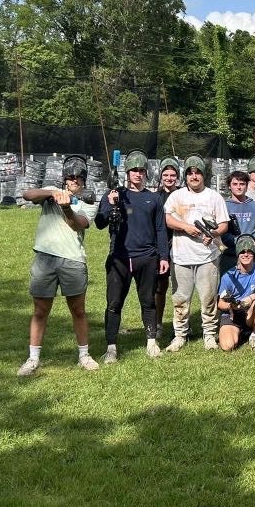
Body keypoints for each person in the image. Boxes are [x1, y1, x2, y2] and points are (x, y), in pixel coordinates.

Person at [17, 155, 101, 376]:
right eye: (71, 177)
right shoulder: (53, 190)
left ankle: (84, 355)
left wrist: (66, 208)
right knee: (40, 310)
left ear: (84, 179)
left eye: (78, 178)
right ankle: (33, 359)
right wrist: (52, 193)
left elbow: (78, 224)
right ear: (65, 178)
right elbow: (27, 194)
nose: (74, 181)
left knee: (78, 310)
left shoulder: (88, 200)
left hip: (73, 260)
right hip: (44, 258)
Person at [94, 149, 170, 362]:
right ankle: (111, 347)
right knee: (114, 303)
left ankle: (151, 341)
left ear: (146, 173)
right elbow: (100, 223)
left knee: (148, 301)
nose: (137, 174)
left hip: (147, 257)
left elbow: (160, 229)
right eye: (133, 170)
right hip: (119, 258)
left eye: (141, 170)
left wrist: (163, 256)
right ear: (127, 173)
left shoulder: (153, 198)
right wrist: (110, 204)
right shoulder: (115, 194)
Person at [163, 154, 229, 352]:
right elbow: (167, 219)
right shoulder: (176, 196)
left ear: (203, 175)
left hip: (208, 257)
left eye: (198, 173)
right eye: (190, 173)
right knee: (180, 299)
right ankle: (180, 335)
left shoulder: (214, 197)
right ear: (186, 176)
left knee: (208, 298)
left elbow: (224, 224)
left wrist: (213, 234)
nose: (194, 176)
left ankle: (209, 334)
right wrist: (185, 227)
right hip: (181, 256)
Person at [217, 234, 255, 352]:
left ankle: (254, 335)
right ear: (238, 254)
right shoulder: (228, 276)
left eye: (249, 251)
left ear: (254, 254)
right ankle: (242, 332)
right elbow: (220, 303)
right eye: (242, 252)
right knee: (228, 346)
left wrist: (250, 298)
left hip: (251, 310)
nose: (246, 254)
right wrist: (230, 306)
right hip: (233, 314)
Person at [220, 169, 255, 276]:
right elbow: (220, 230)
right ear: (229, 186)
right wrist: (237, 241)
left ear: (247, 185)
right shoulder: (223, 206)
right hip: (230, 255)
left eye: (242, 184)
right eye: (235, 184)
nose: (238, 187)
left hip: (252, 255)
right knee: (227, 290)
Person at [154, 156, 181, 343]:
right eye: (166, 175)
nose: (169, 178)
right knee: (159, 288)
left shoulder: (183, 195)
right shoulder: (155, 197)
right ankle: (157, 324)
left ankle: (179, 324)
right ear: (161, 176)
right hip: (161, 247)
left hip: (180, 246)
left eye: (172, 175)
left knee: (179, 289)